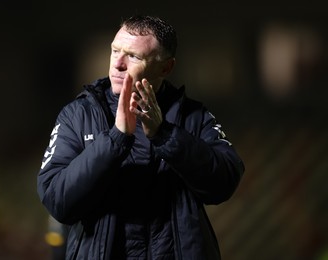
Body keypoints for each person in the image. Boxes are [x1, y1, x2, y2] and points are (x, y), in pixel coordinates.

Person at [37, 14, 245, 260]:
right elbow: (57, 200)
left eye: (133, 56)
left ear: (165, 67)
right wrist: (115, 138)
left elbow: (224, 183)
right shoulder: (78, 115)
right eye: (115, 51)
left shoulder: (193, 116)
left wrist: (164, 135)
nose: (118, 64)